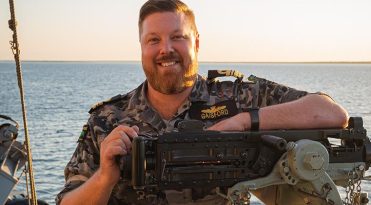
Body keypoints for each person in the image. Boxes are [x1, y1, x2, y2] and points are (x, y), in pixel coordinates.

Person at [56, 0, 349, 204]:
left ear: (196, 42)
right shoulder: (107, 120)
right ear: (142, 47)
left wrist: (243, 122)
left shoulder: (237, 98)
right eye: (153, 40)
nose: (166, 49)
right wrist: (106, 177)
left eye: (177, 37)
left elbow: (332, 113)